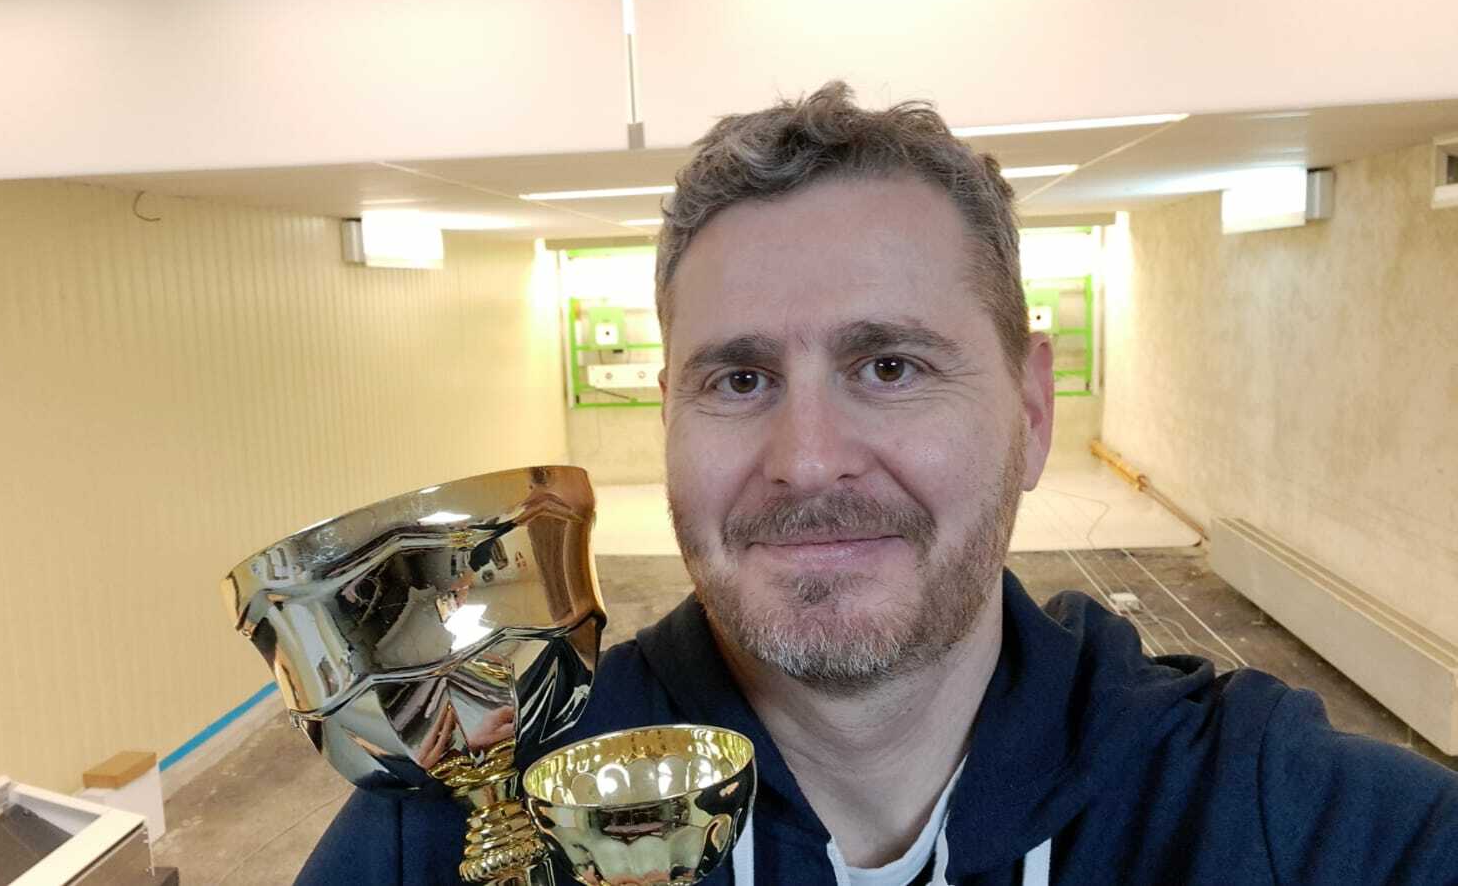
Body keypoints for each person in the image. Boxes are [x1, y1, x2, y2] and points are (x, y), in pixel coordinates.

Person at [295, 82, 1458, 885]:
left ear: (1032, 411)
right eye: (739, 378)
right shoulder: (462, 823)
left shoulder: (1277, 815)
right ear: (668, 417)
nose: (808, 458)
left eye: (889, 366)